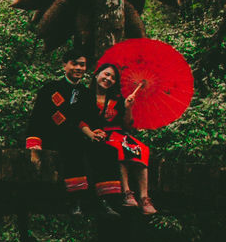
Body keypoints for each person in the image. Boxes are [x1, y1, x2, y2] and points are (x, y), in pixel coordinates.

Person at [26, 50, 121, 215]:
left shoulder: (86, 93)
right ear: (65, 65)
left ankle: (105, 199)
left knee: (107, 150)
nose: (78, 67)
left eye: (82, 65)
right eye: (74, 63)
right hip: (53, 137)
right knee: (73, 146)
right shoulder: (50, 89)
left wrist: (96, 132)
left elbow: (89, 120)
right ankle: (75, 200)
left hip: (79, 136)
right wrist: (34, 143)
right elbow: (37, 118)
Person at [78, 63, 156, 215]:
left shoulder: (117, 99)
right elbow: (79, 119)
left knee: (142, 149)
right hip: (100, 136)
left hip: (119, 134)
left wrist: (128, 108)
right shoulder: (85, 96)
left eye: (113, 78)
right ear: (96, 75)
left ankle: (144, 197)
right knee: (117, 149)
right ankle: (126, 192)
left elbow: (127, 125)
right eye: (106, 74)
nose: (108, 79)